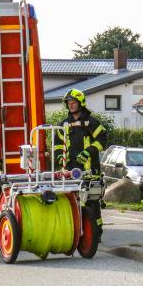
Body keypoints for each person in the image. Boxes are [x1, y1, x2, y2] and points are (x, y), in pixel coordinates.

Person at [53, 89, 107, 238]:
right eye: (68, 103)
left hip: (90, 171)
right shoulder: (63, 124)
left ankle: (96, 235)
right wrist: (59, 157)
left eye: (73, 102)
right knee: (71, 201)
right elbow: (57, 144)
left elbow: (102, 140)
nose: (71, 105)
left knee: (92, 203)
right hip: (70, 170)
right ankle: (75, 232)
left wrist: (88, 152)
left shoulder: (92, 122)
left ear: (80, 103)